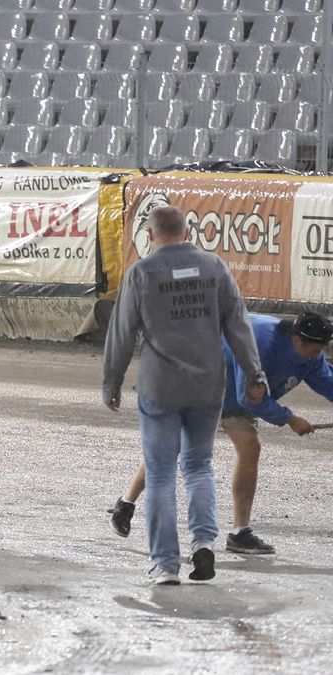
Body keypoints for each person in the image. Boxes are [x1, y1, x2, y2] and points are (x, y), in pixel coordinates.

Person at [102, 205, 266, 586]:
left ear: (151, 234)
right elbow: (239, 326)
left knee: (160, 474)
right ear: (186, 230)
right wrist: (255, 375)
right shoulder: (214, 267)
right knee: (198, 466)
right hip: (208, 386)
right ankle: (204, 539)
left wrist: (111, 381)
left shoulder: (141, 273)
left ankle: (165, 565)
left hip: (160, 387)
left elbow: (122, 333)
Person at [109, 311, 333, 555]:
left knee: (250, 447)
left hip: (230, 394)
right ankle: (126, 504)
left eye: (322, 349)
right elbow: (249, 398)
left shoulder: (311, 357)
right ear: (298, 340)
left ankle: (240, 533)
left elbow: (328, 383)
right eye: (316, 349)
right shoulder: (257, 343)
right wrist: (289, 418)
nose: (318, 355)